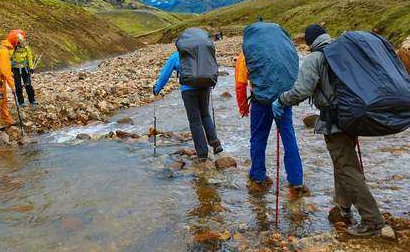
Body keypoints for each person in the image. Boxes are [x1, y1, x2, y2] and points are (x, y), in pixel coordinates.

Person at [272, 25, 386, 236]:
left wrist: (281, 100)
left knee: (347, 167)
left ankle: (373, 221)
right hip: (355, 116)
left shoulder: (315, 59)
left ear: (310, 43)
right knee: (343, 163)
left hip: (334, 121)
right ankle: (344, 209)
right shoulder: (344, 51)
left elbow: (302, 90)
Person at [235, 51, 306, 193]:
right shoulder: (282, 50)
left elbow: (240, 82)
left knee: (258, 138)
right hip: (283, 99)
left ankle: (258, 175)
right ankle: (296, 179)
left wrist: (243, 107)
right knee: (288, 137)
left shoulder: (247, 53)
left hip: (260, 101)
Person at [153, 50, 223, 161]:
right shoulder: (202, 53)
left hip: (188, 90)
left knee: (195, 120)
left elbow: (166, 73)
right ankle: (215, 141)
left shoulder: (177, 55)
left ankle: (202, 153)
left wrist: (157, 89)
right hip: (205, 87)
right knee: (205, 114)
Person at [0, 32, 18, 132]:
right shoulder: (4, 52)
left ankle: (7, 120)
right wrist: (12, 85)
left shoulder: (1, 48)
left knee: (4, 99)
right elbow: (5, 70)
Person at [11, 33, 38, 107]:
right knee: (18, 85)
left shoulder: (26, 47)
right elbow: (9, 56)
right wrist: (13, 49)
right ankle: (21, 102)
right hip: (15, 68)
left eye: (21, 41)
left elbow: (29, 57)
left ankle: (32, 100)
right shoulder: (12, 48)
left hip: (24, 67)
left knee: (28, 83)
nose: (20, 43)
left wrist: (31, 67)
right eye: (18, 41)